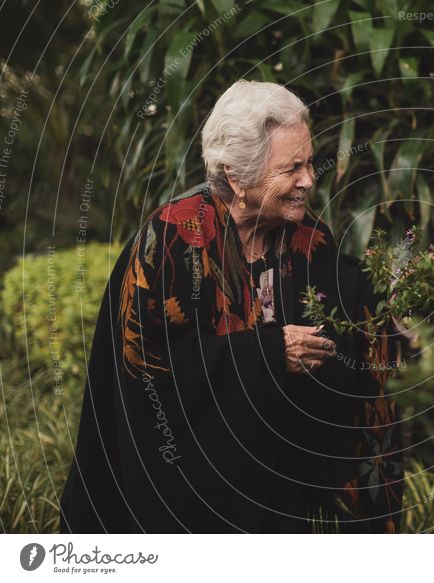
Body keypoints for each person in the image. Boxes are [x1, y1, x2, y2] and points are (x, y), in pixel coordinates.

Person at [60, 80, 404, 533]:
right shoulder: (169, 242)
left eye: (309, 162)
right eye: (292, 168)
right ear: (238, 177)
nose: (309, 179)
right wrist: (267, 354)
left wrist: (398, 305)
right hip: (187, 497)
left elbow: (350, 295)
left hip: (278, 488)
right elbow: (149, 373)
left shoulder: (305, 234)